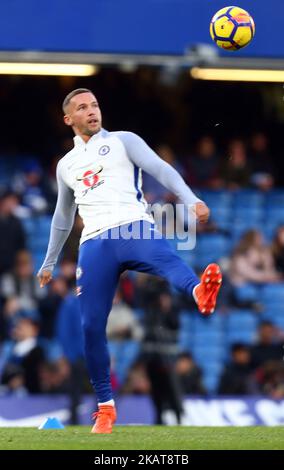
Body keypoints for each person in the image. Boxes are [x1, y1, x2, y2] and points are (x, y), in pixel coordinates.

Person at [37, 88, 222, 434]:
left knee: (165, 257)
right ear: (69, 119)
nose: (91, 111)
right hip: (94, 243)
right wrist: (49, 262)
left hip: (132, 226)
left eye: (94, 104)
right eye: (82, 107)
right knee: (91, 326)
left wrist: (191, 199)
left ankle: (199, 293)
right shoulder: (66, 165)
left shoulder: (123, 140)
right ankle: (105, 409)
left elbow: (160, 169)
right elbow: (62, 218)